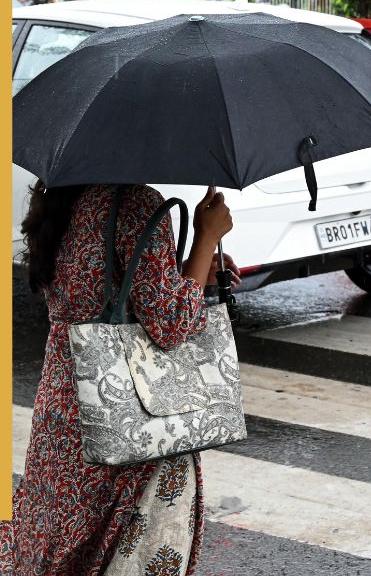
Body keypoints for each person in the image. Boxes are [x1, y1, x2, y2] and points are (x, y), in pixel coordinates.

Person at [1, 182, 238, 574]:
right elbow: (172, 324)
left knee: (58, 541)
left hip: (65, 398)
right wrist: (206, 238)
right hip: (128, 409)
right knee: (119, 546)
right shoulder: (135, 202)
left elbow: (108, 291)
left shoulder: (62, 193)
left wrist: (187, 275)